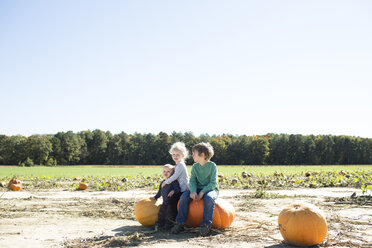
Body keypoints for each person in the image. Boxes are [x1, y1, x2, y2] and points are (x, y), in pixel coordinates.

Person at [171, 142, 218, 236]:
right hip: (197, 188)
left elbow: (213, 183)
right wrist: (192, 191)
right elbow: (192, 181)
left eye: (194, 154)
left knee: (209, 198)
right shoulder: (195, 166)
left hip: (210, 189)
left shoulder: (212, 166)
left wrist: (202, 192)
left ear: (202, 155)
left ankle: (206, 225)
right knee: (184, 197)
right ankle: (180, 223)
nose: (192, 155)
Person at [151, 164, 181, 230]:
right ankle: (159, 223)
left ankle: (168, 224)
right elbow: (160, 192)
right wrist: (155, 197)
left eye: (168, 171)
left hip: (172, 202)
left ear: (172, 173)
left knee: (170, 213)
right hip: (165, 202)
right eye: (164, 171)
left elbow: (178, 189)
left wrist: (173, 191)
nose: (165, 173)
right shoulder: (162, 182)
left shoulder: (173, 181)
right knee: (161, 213)